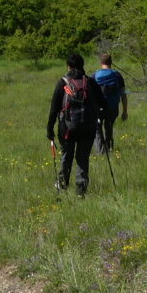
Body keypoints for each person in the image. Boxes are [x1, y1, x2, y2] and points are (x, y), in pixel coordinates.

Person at [46, 53, 107, 197]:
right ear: (82, 65)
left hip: (67, 128)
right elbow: (104, 103)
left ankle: (62, 184)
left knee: (67, 155)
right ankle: (81, 190)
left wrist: (49, 129)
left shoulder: (63, 82)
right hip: (88, 127)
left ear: (69, 66)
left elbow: (54, 108)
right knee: (82, 158)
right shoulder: (90, 82)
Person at [92, 53, 128, 153]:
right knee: (109, 128)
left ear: (101, 62)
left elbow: (89, 94)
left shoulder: (94, 75)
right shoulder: (117, 75)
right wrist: (125, 111)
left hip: (98, 108)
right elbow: (123, 95)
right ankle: (109, 149)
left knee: (97, 130)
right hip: (112, 107)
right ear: (111, 62)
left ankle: (100, 152)